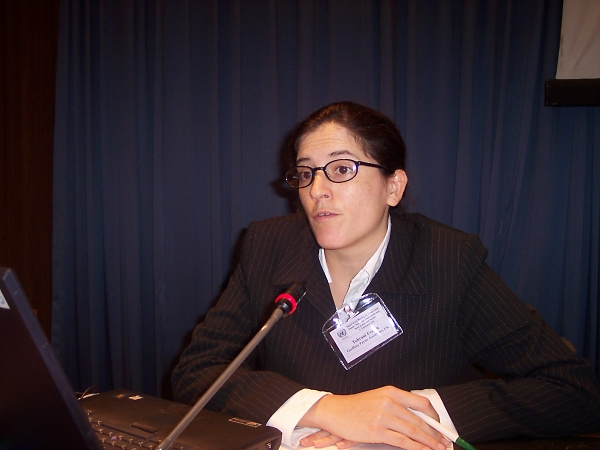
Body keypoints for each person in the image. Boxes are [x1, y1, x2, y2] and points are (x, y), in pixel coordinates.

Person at [172, 101, 600, 450]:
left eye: (342, 169)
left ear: (393, 187)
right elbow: (197, 371)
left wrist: (410, 415)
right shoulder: (267, 246)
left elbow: (574, 389)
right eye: (305, 173)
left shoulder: (448, 260)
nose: (316, 190)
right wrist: (324, 408)